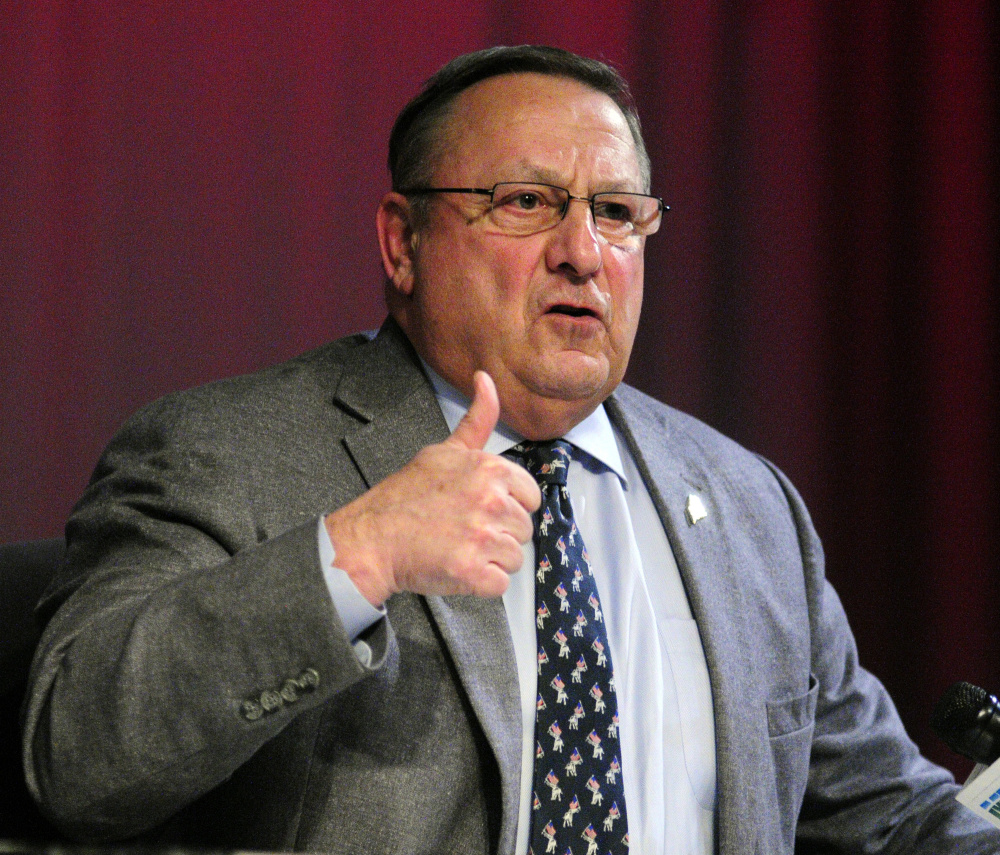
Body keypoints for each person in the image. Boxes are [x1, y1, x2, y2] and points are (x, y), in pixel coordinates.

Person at [22, 45, 998, 855]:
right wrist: (353, 559)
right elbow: (77, 763)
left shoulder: (746, 504)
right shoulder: (226, 454)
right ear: (401, 243)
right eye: (526, 202)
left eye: (617, 213)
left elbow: (892, 815)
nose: (584, 252)